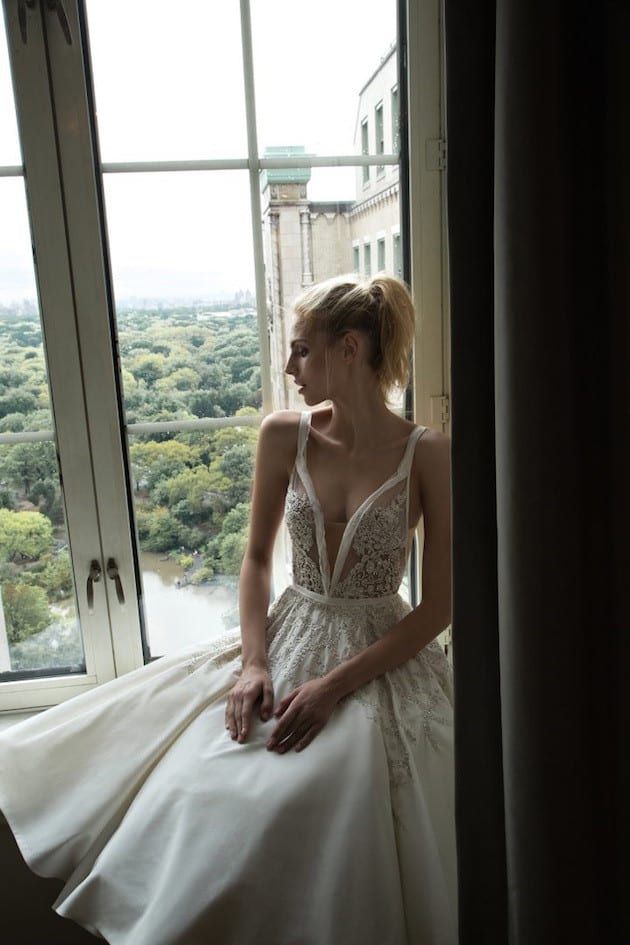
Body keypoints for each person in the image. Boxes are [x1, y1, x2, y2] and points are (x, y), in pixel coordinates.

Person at [0, 273, 457, 945]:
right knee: (206, 795)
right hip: (288, 632)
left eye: (301, 349)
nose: (289, 367)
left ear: (350, 348)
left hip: (379, 656)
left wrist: (333, 686)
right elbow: (257, 560)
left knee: (333, 805)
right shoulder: (284, 435)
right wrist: (254, 664)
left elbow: (439, 604)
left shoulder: (430, 454)